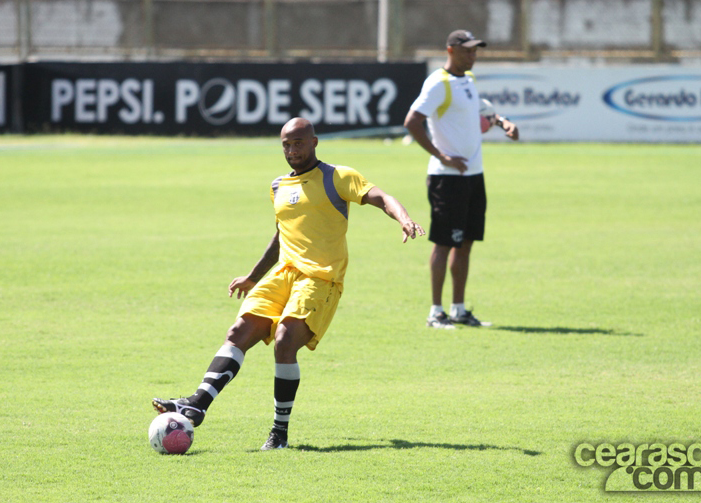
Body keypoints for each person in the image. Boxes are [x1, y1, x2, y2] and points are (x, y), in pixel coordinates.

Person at [153, 117, 425, 450]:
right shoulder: (278, 186)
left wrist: (404, 219)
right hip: (283, 273)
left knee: (284, 341)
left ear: (314, 142)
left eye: (298, 143)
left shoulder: (337, 177)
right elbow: (282, 234)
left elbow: (381, 197)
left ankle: (278, 433)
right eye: (286, 144)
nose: (292, 150)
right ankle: (197, 404)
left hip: (320, 278)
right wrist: (253, 276)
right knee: (238, 332)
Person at [404, 29, 519, 330]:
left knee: (465, 243)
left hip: (473, 177)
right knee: (444, 243)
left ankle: (458, 309)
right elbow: (412, 122)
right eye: (468, 50)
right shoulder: (438, 84)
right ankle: (435, 312)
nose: (473, 55)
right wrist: (442, 157)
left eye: (475, 50)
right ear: (451, 50)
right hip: (447, 180)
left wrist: (503, 122)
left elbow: (481, 113)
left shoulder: (468, 81)